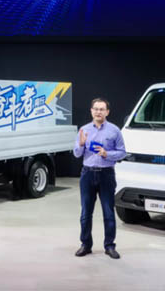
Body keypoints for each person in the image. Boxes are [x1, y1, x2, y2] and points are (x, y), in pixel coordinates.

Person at [73, 98, 127, 259]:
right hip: (87, 174)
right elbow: (76, 154)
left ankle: (109, 246)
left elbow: (122, 152)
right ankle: (85, 245)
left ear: (107, 112)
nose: (98, 112)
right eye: (95, 109)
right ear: (91, 111)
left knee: (108, 212)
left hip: (106, 175)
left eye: (102, 109)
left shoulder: (114, 130)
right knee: (85, 213)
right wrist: (81, 144)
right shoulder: (84, 130)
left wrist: (106, 154)